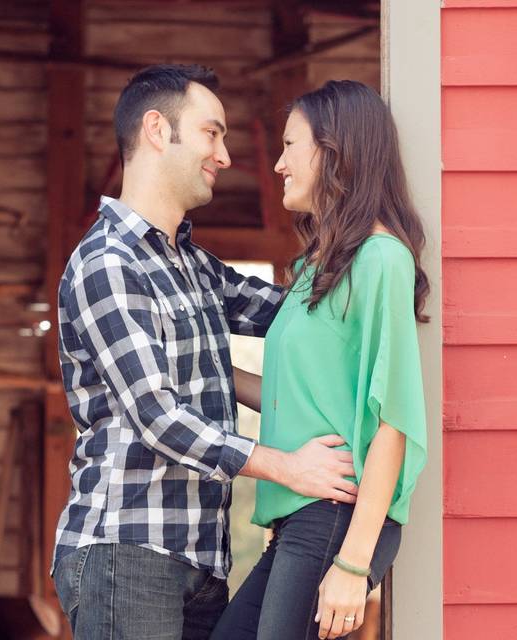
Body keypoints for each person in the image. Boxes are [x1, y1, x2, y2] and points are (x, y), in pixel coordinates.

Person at [52, 64, 360, 640]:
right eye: (211, 133)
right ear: (156, 130)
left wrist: (361, 241)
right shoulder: (107, 263)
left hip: (200, 557)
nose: (223, 156)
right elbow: (158, 416)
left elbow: (300, 317)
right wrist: (288, 468)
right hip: (128, 549)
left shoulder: (193, 267)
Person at [211, 80, 430, 640]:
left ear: (334, 151)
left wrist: (354, 564)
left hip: (337, 515)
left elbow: (392, 420)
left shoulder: (382, 259)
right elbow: (299, 395)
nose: (279, 164)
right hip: (301, 517)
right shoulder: (318, 267)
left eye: (290, 145)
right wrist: (206, 367)